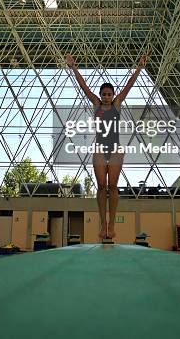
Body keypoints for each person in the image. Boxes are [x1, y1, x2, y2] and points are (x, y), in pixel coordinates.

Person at [66, 53, 147, 240]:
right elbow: (83, 85)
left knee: (113, 186)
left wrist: (139, 68)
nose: (107, 97)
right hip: (100, 149)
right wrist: (73, 67)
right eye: (104, 94)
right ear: (100, 95)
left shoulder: (118, 104)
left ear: (113, 95)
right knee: (101, 186)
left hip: (116, 149)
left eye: (109, 94)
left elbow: (129, 85)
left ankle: (112, 224)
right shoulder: (96, 104)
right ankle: (103, 223)